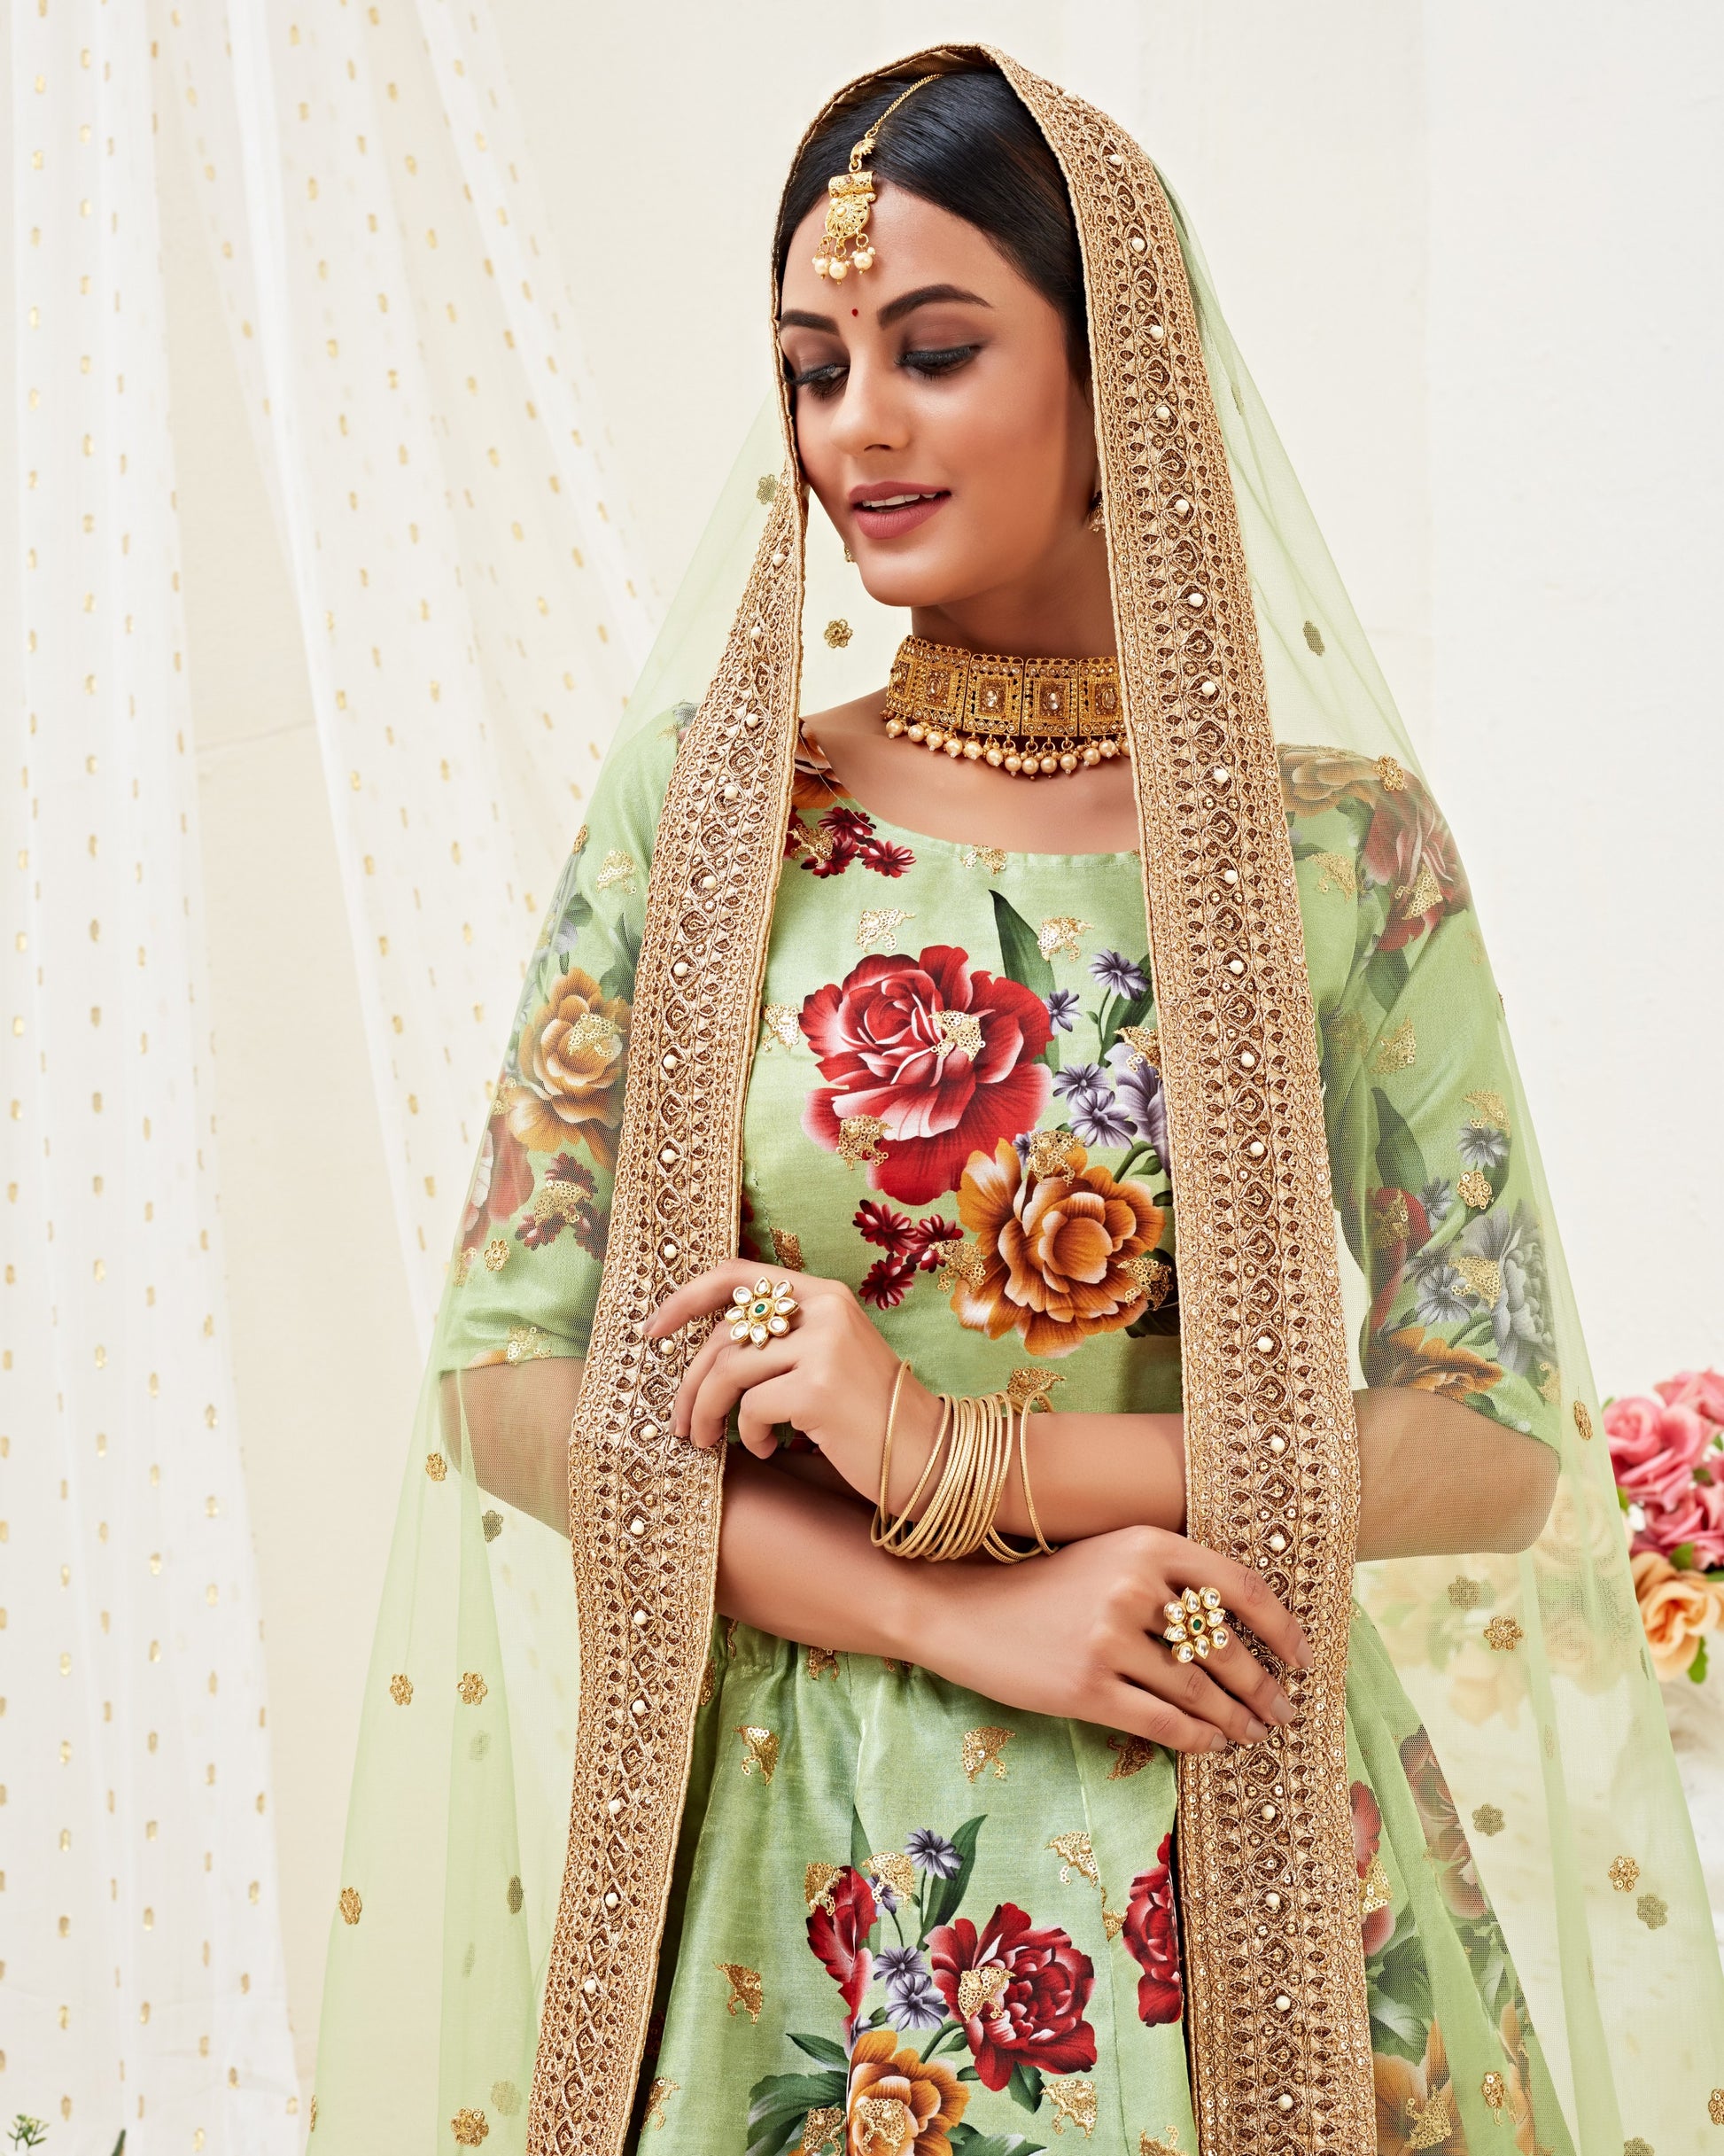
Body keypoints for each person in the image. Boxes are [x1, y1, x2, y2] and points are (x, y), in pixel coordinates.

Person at [309, 48, 1724, 2156]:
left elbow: (1491, 1439)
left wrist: (954, 1449)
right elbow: (512, 1372)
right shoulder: (715, 813)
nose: (854, 428)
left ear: (1115, 366)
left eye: (935, 349)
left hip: (1230, 1818)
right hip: (801, 1873)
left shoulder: (1339, 851)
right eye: (815, 368)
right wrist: (952, 1598)